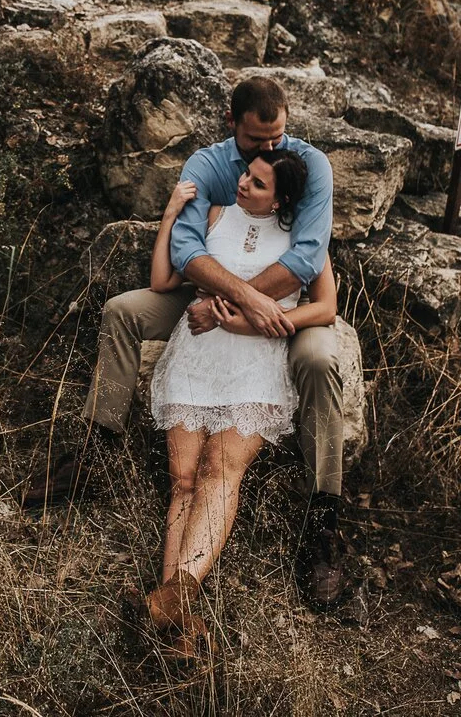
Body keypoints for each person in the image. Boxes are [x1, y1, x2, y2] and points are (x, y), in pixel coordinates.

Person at [23, 77, 345, 608]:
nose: (267, 152)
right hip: (210, 293)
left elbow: (308, 259)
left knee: (316, 360)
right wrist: (226, 300)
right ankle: (95, 454)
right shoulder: (208, 166)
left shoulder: (306, 167)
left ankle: (324, 521)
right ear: (231, 126)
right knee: (123, 312)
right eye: (255, 143)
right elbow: (186, 253)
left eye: (277, 138)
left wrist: (235, 311)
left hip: (277, 303)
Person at [144, 154, 337, 658]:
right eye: (245, 173)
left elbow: (326, 308)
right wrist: (169, 217)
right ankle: (180, 619)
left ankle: (172, 600)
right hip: (196, 359)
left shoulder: (304, 241)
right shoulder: (215, 215)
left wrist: (246, 322)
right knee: (182, 478)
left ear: (282, 199)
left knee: (218, 472)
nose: (242, 182)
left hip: (254, 365)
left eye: (256, 181)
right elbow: (167, 277)